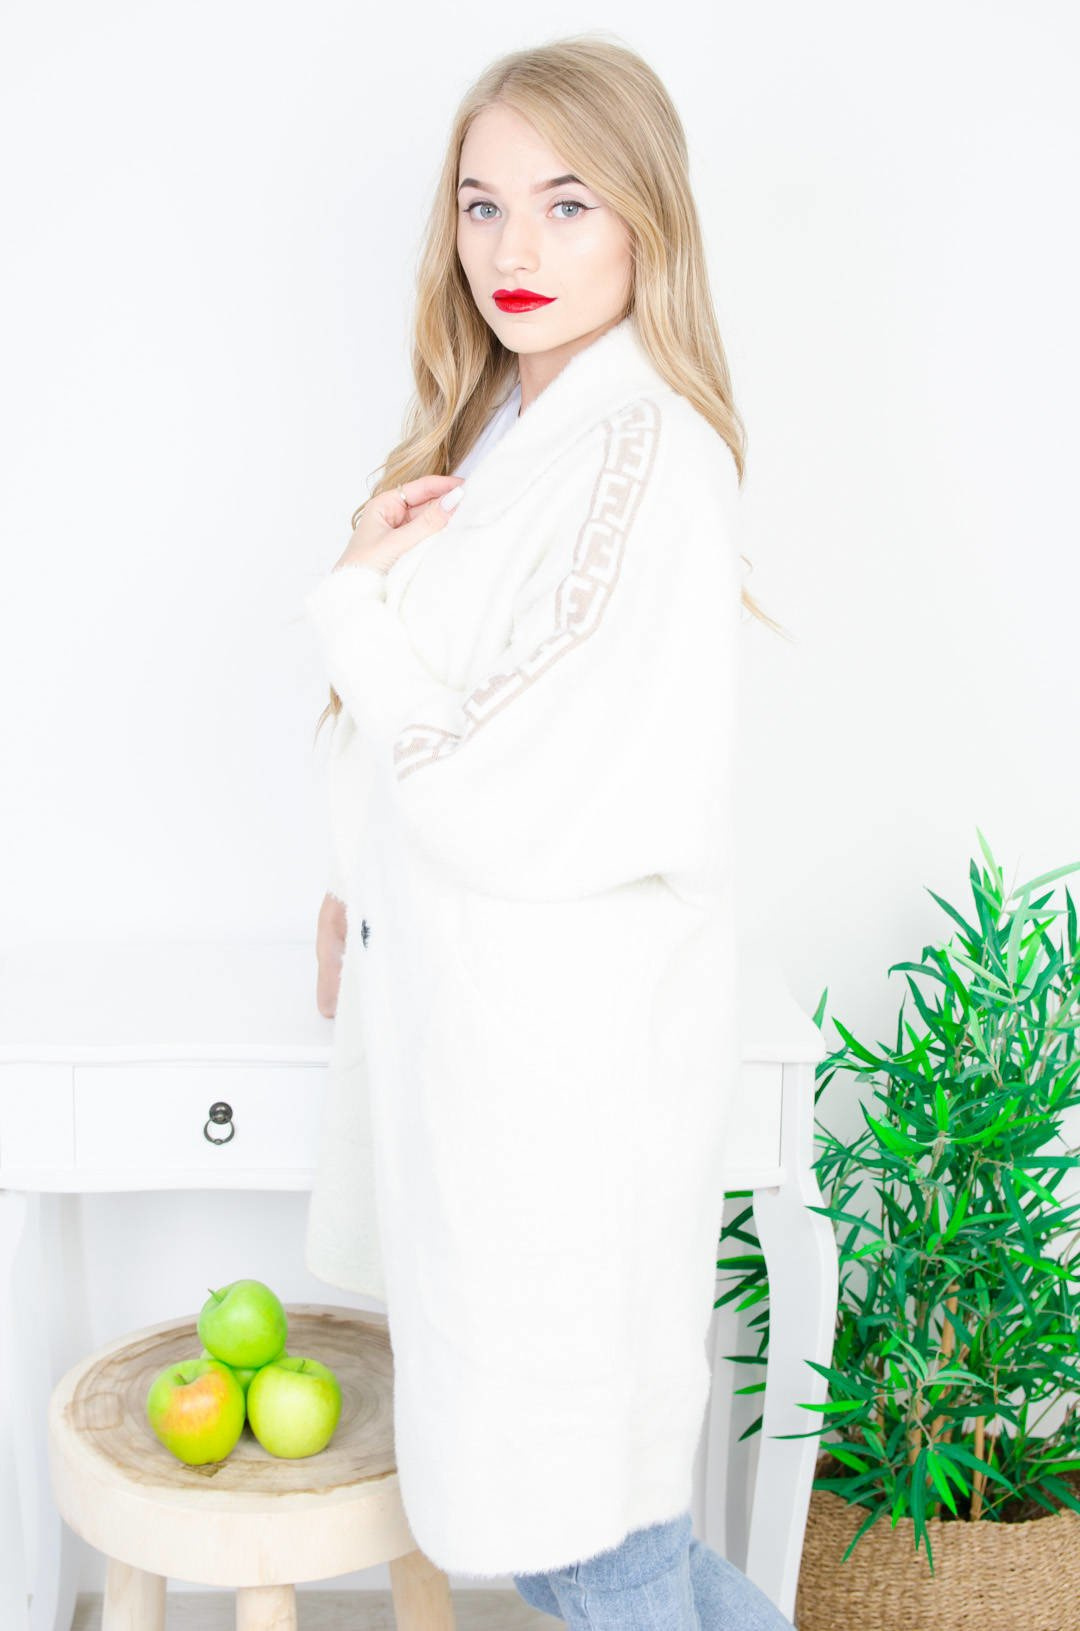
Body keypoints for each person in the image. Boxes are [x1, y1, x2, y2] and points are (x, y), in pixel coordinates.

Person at [304, 33, 791, 1631]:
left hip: (561, 1082)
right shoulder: (517, 429)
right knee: (596, 1532)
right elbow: (460, 733)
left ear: (648, 217)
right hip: (497, 1055)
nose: (514, 247)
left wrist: (350, 600)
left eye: (568, 204)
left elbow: (508, 778)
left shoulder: (643, 454)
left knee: (590, 1538)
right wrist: (352, 886)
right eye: (484, 204)